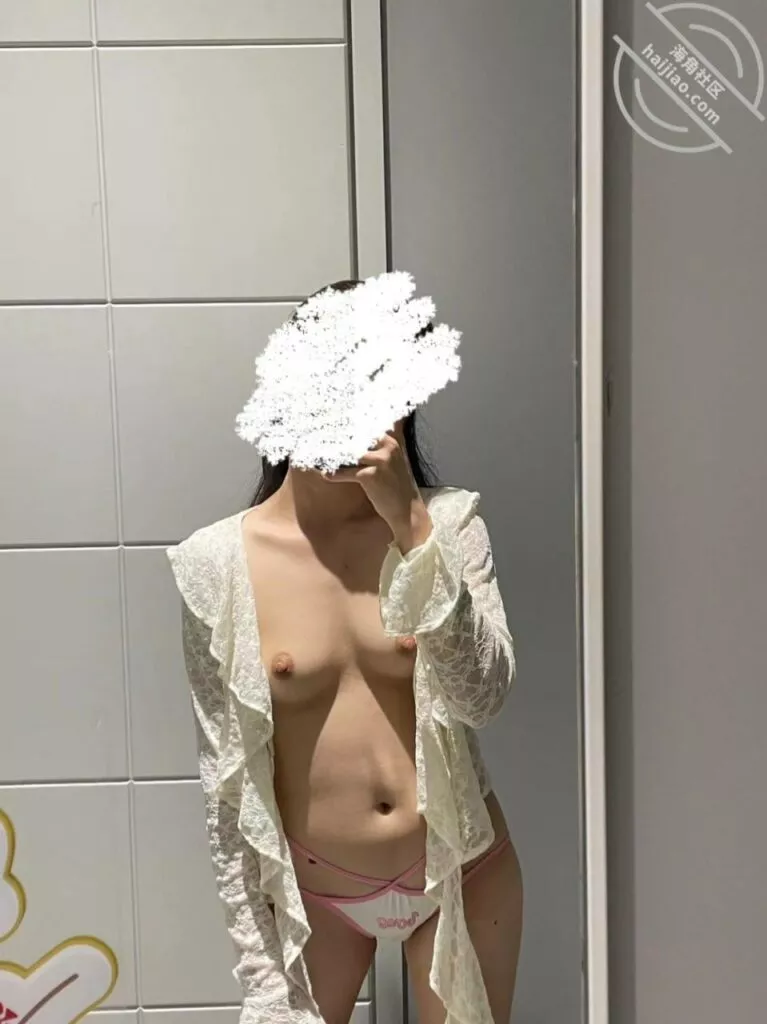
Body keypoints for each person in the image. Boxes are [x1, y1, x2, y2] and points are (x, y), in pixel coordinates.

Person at [167, 278, 523, 1024]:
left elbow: (483, 696)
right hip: (312, 889)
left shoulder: (448, 525)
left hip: (460, 869)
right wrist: (262, 978)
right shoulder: (216, 564)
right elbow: (226, 791)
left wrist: (413, 532)